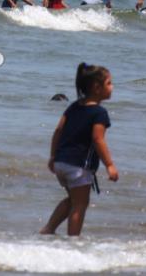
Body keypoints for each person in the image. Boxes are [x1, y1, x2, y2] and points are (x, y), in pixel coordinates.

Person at [40, 63, 118, 236]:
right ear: (97, 88)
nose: (112, 87)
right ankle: (73, 240)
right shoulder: (99, 113)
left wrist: (53, 157)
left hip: (62, 162)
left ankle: (48, 229)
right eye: (109, 83)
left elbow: (58, 131)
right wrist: (110, 165)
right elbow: (98, 139)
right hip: (79, 167)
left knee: (73, 200)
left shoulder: (74, 107)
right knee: (80, 204)